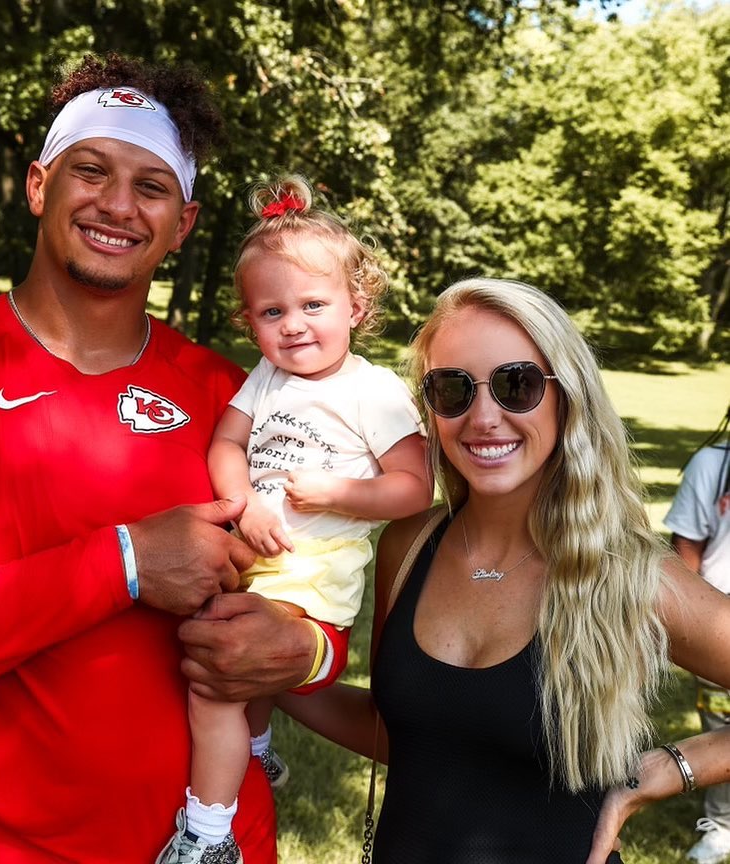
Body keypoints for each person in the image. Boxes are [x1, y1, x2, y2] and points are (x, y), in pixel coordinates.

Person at [0, 54, 347, 864]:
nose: (118, 205)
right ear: (37, 186)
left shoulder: (230, 396)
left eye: (152, 186)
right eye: (90, 171)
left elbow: (323, 579)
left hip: (215, 841)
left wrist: (307, 650)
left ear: (183, 224)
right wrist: (123, 563)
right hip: (6, 845)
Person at [277, 277, 730, 863]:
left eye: (517, 386)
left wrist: (666, 772)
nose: (483, 417)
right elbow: (408, 734)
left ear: (567, 396)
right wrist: (270, 677)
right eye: (452, 390)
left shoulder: (629, 572)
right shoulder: (409, 544)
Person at [156, 175, 431, 862]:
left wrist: (338, 492)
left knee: (214, 685)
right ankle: (253, 753)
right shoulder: (267, 378)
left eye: (313, 304)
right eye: (271, 312)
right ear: (250, 322)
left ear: (355, 307)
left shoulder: (372, 390)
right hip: (251, 554)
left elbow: (413, 488)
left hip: (311, 579)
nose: (293, 325)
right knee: (207, 657)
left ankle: (208, 837)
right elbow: (226, 442)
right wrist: (242, 503)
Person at [664, 403, 730, 864]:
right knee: (722, 730)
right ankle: (721, 827)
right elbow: (686, 544)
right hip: (720, 627)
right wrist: (690, 628)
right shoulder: (714, 464)